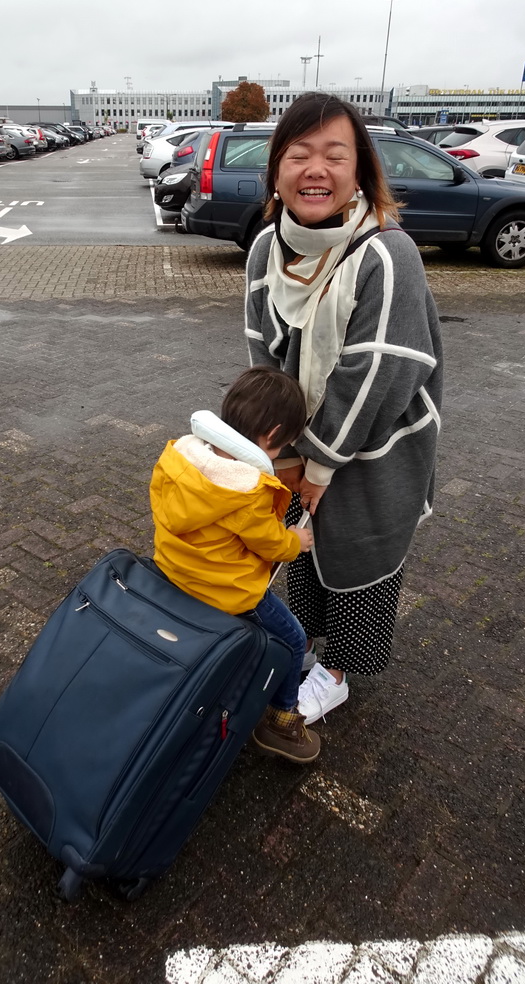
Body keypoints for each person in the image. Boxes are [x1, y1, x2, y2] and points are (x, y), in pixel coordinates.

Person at [244, 92, 443, 724]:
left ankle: (337, 673)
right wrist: (276, 454)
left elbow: (381, 371)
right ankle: (304, 647)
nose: (316, 169)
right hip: (301, 450)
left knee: (362, 548)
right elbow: (264, 363)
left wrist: (319, 463)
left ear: (361, 171)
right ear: (276, 171)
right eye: (298, 154)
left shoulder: (387, 253)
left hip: (377, 443)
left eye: (336, 154)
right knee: (301, 545)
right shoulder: (265, 254)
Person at [150, 366, 320, 764]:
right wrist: (296, 540)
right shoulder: (246, 489)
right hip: (225, 591)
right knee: (294, 638)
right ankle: (280, 722)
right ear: (274, 435)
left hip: (173, 573)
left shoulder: (182, 460)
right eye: (283, 446)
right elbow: (270, 543)